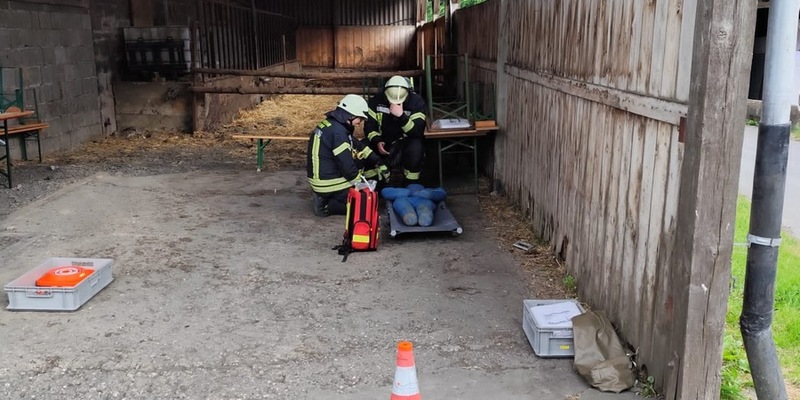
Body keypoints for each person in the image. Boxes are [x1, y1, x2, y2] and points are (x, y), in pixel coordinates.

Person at [306, 94, 387, 217]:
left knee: (361, 165)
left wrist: (376, 160)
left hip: (322, 178)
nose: (359, 123)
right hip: (328, 183)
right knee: (363, 205)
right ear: (351, 115)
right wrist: (361, 184)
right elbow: (346, 166)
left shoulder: (333, 125)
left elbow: (356, 144)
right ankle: (326, 205)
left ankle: (324, 197)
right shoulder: (338, 133)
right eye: (360, 118)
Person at [365, 75, 427, 186]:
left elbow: (417, 132)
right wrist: (377, 141)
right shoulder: (376, 100)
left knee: (416, 148)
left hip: (406, 141)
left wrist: (401, 116)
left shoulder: (416, 102)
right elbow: (369, 126)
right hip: (383, 141)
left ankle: (411, 184)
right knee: (364, 147)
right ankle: (375, 184)